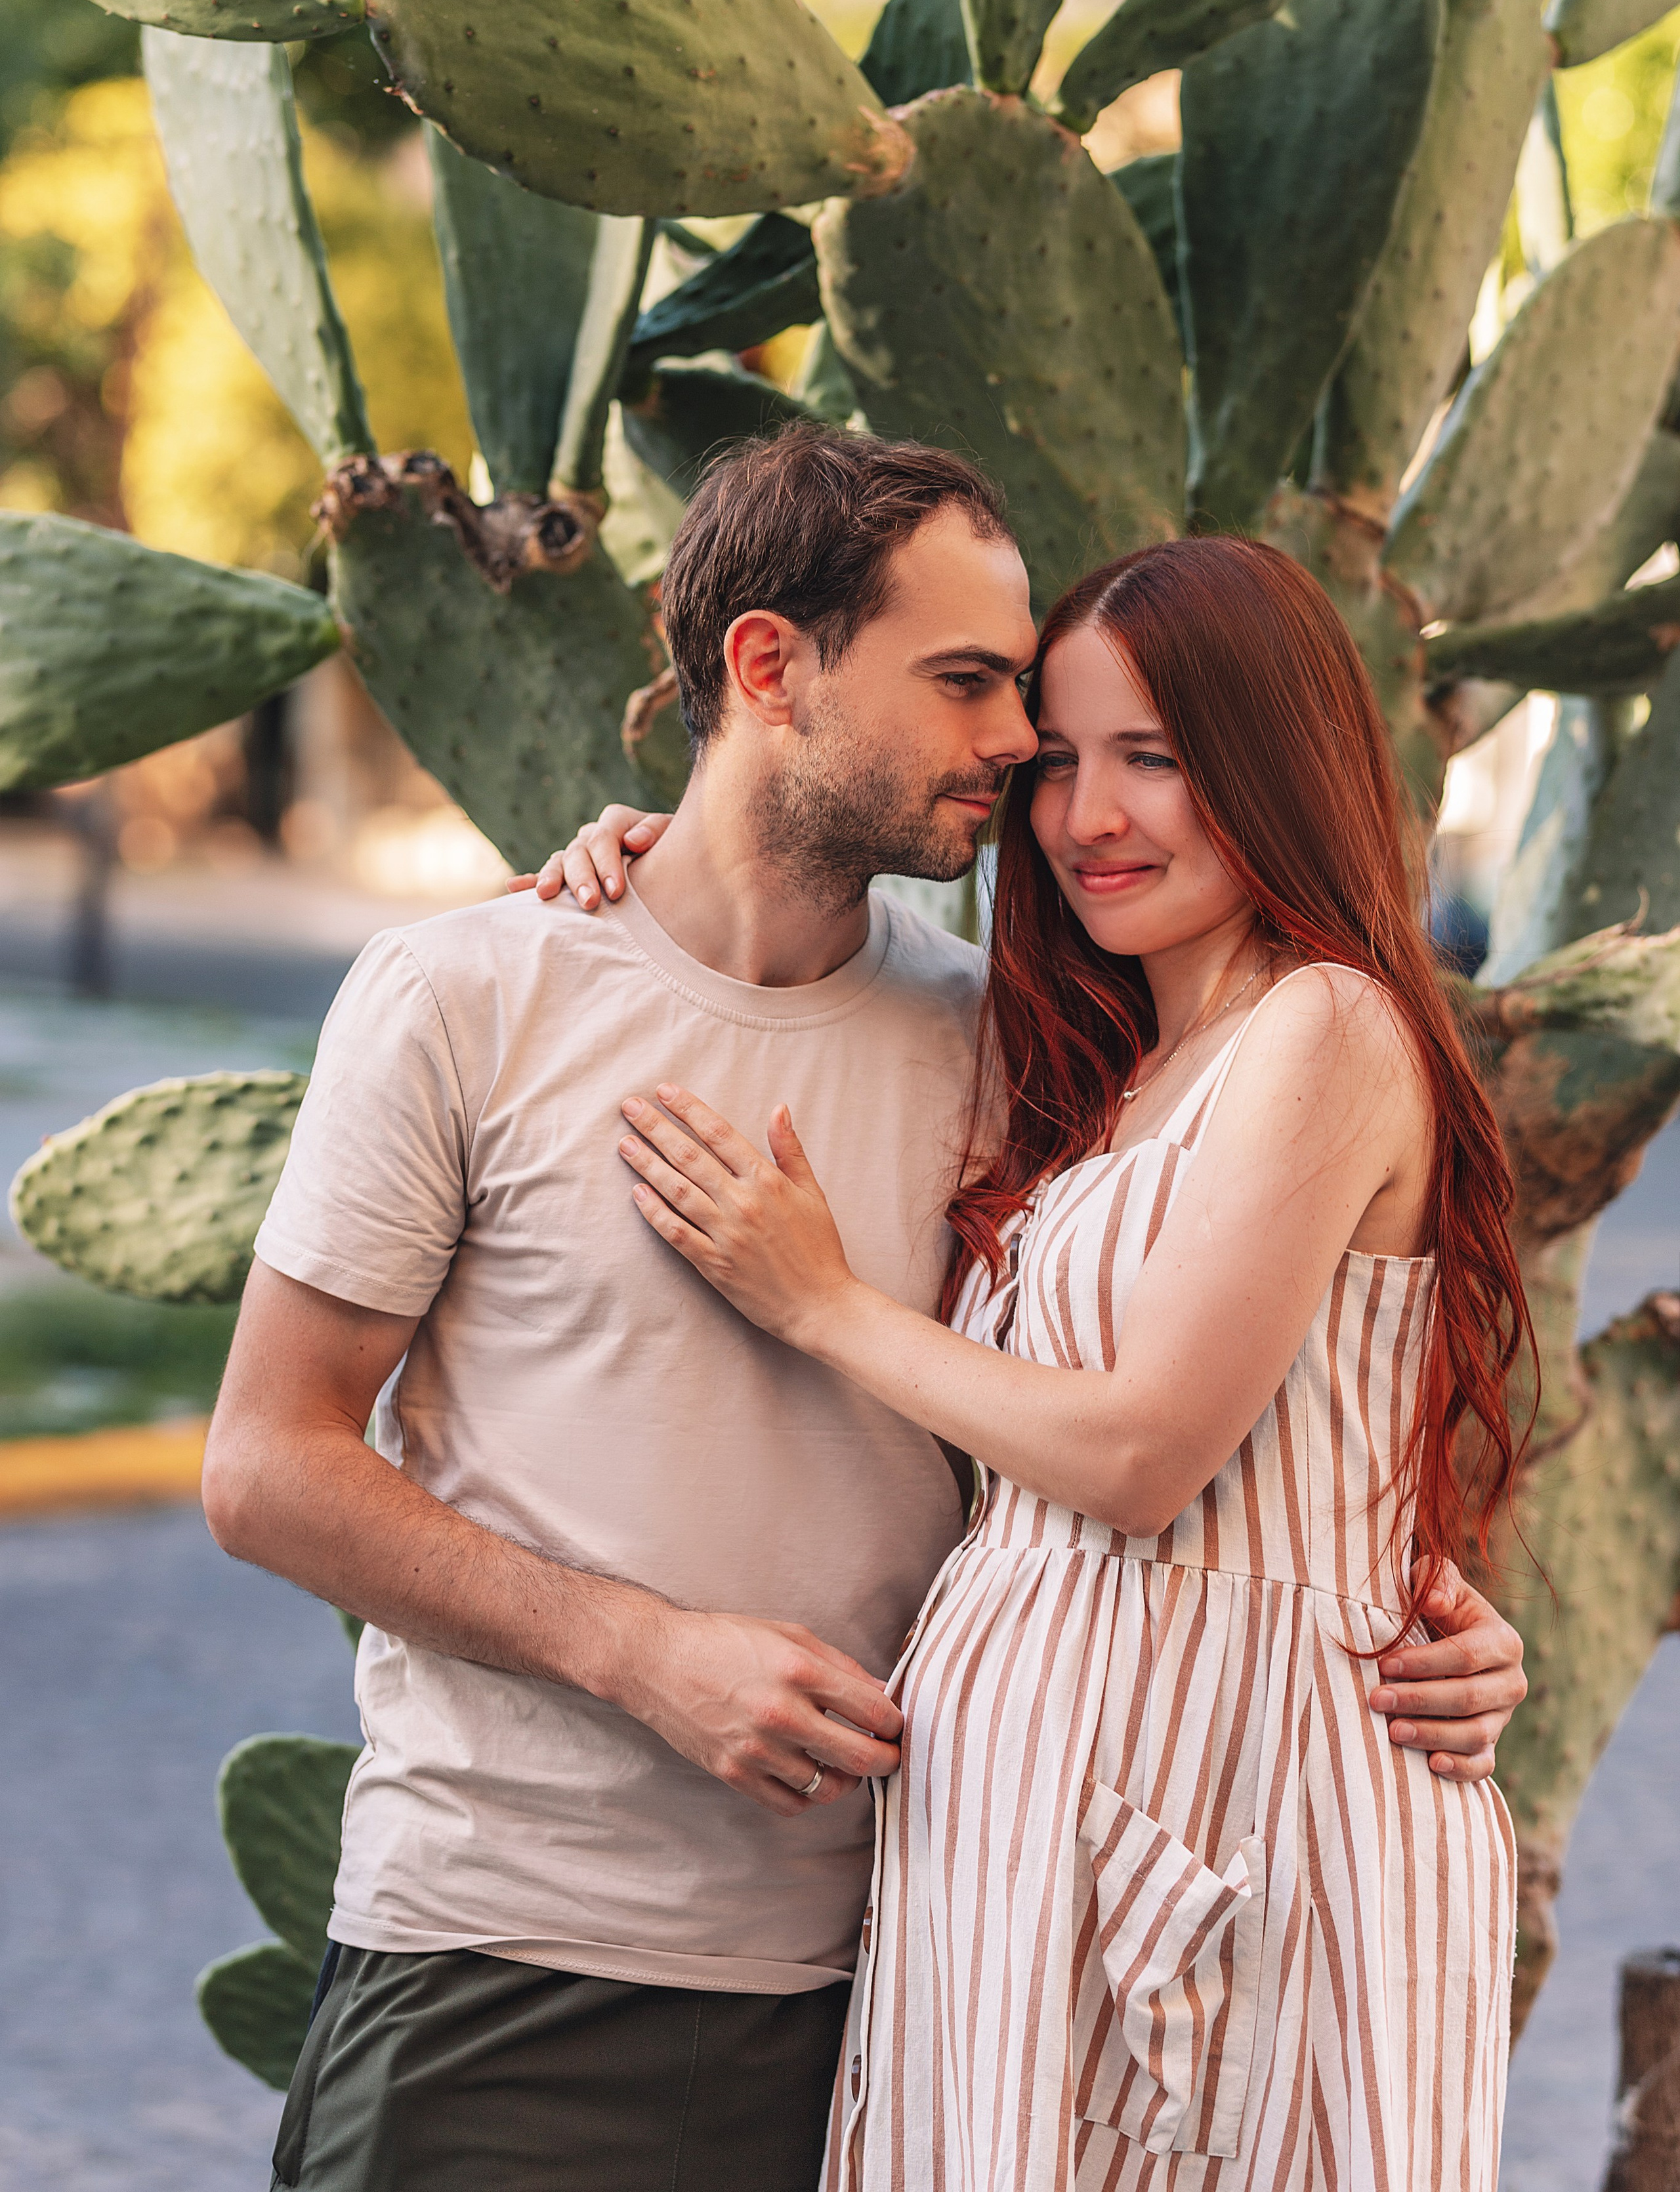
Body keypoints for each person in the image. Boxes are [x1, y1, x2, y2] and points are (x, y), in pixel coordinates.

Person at [201, 429, 1524, 2192]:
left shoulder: (1025, 1050)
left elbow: (1211, 1379)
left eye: (1063, 735)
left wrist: (1418, 1610)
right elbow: (263, 1467)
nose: (1023, 767)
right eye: (980, 691)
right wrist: (640, 1654)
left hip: (904, 1964)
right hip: (504, 1960)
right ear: (770, 666)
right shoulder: (470, 993)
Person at [572, 532, 1532, 2189]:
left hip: (1224, 1809)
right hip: (1031, 1828)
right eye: (1057, 763)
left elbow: (1145, 1455)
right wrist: (665, 858)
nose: (1088, 819)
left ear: (1269, 759)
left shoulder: (1323, 1026)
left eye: (1152, 760)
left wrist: (820, 1306)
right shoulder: (1111, 1067)